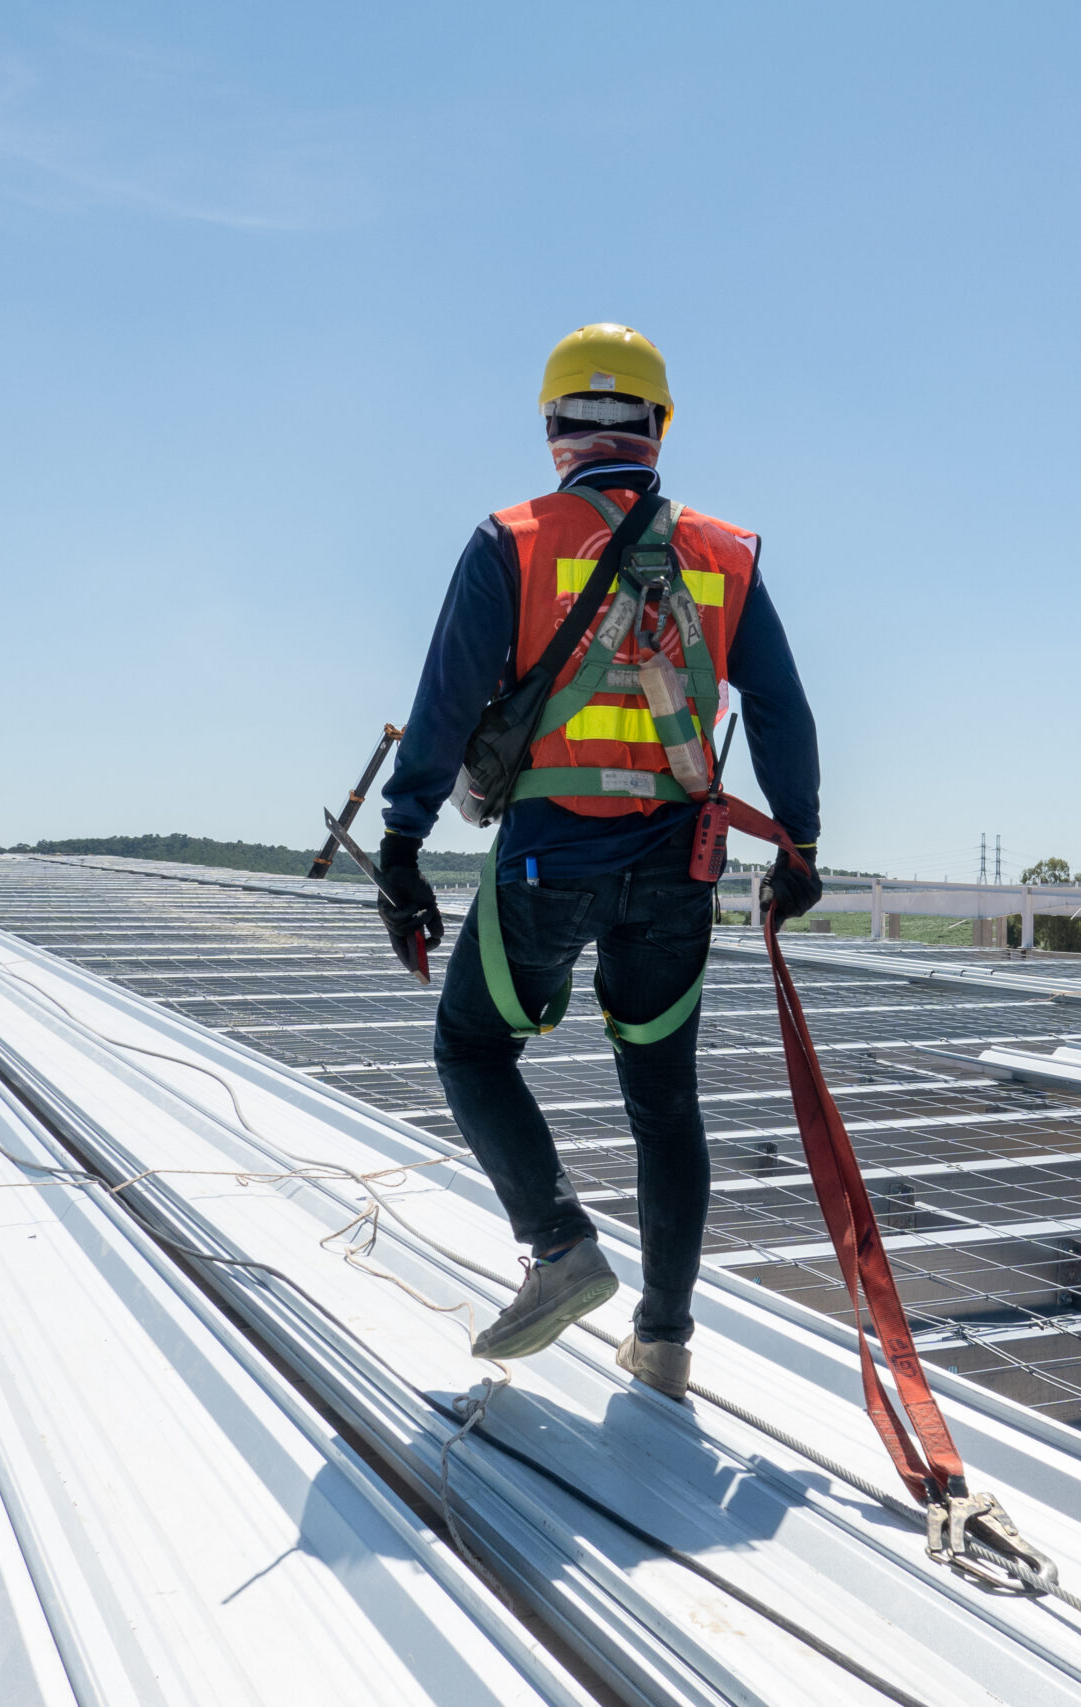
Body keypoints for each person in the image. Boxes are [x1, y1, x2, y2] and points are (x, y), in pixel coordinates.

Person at [374, 323, 824, 1400]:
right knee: (665, 1097)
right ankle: (663, 1341)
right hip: (679, 870)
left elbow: (443, 706)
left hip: (547, 862)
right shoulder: (726, 554)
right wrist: (799, 842)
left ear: (552, 430)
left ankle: (560, 1243)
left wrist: (400, 845)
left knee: (474, 1050)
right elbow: (780, 707)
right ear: (659, 428)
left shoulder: (512, 539)